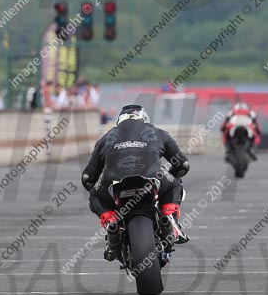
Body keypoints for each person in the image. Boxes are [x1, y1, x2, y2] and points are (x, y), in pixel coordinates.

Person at [81, 104, 191, 261]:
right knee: (175, 184)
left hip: (114, 181)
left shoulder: (106, 137)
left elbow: (87, 177)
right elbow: (183, 165)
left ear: (120, 120)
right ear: (144, 119)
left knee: (95, 197)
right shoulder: (158, 132)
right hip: (153, 178)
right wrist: (171, 177)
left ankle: (112, 224)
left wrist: (101, 194)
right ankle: (170, 218)